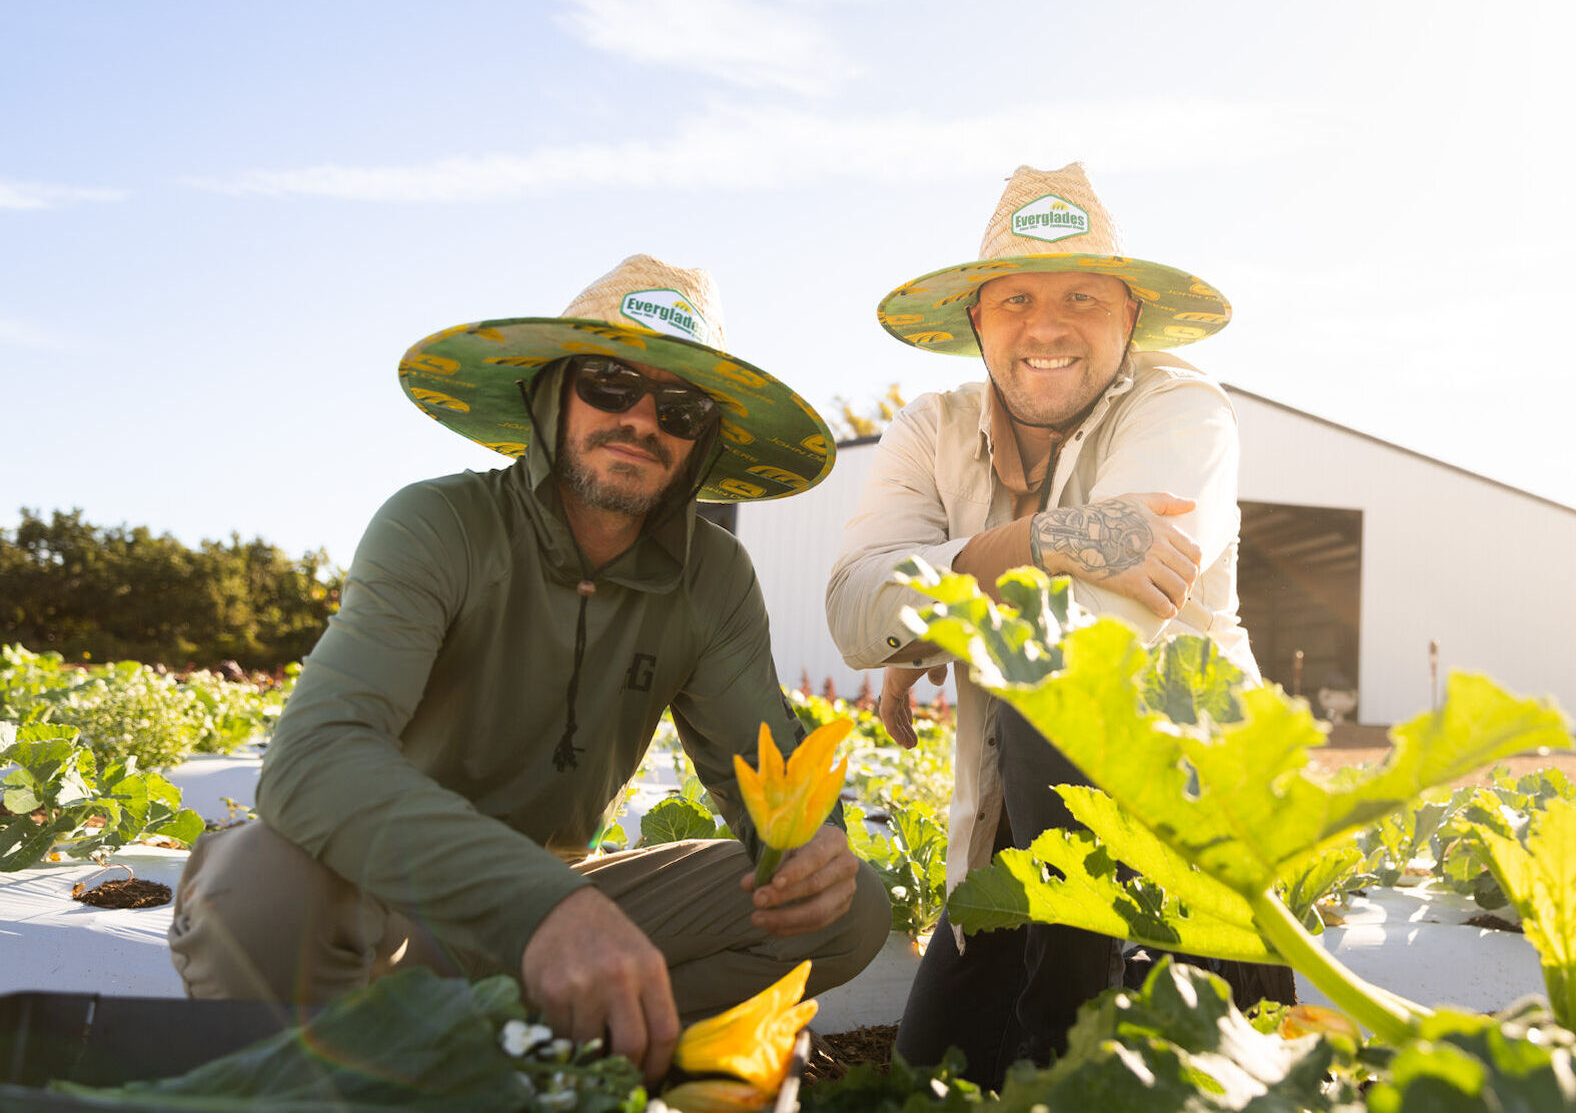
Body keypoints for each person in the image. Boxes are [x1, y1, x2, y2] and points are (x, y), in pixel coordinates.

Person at [171, 256, 890, 1084]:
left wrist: (813, 845)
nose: (643, 419)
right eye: (611, 383)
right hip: (387, 904)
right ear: (553, 393)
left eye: (681, 406)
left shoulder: (713, 577)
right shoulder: (438, 523)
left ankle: (562, 1064)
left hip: (564, 906)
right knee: (258, 885)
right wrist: (541, 904)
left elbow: (772, 779)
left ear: (702, 442)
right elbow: (313, 758)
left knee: (842, 910)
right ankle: (349, 1084)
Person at [825, 164, 1267, 1087]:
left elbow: (1090, 633)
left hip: (1181, 859)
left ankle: (1072, 1049)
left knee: (1052, 673)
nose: (1048, 324)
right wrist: (1042, 538)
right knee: (923, 1076)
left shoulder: (1183, 412)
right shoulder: (927, 430)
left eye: (1083, 296)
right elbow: (854, 612)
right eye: (1016, 297)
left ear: (1132, 318)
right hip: (1009, 852)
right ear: (977, 321)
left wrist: (937, 611)